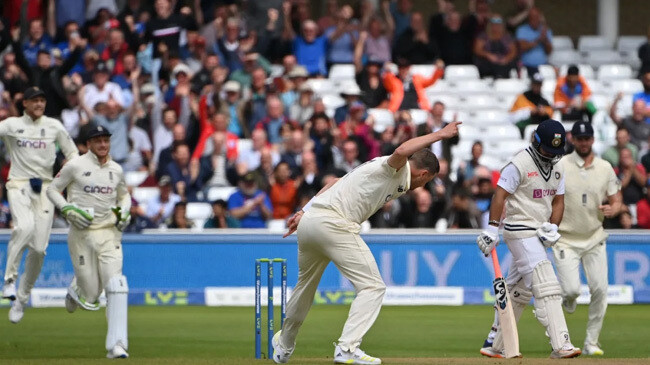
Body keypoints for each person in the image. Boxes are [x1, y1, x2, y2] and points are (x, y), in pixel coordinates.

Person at [271, 121, 461, 364]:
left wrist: (303, 212)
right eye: (426, 181)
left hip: (311, 221)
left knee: (304, 288)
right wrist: (440, 134)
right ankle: (347, 348)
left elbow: (335, 181)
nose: (422, 186)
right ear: (424, 174)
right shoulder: (397, 168)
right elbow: (402, 151)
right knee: (373, 286)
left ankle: (284, 345)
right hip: (334, 223)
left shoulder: (380, 169)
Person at [477, 119, 581, 359]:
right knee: (546, 282)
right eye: (547, 149)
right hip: (518, 229)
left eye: (555, 151)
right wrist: (492, 229)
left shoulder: (558, 166)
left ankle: (497, 344)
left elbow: (558, 200)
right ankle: (561, 344)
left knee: (518, 291)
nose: (550, 155)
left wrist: (553, 226)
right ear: (536, 142)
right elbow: (500, 195)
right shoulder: (519, 164)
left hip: (539, 232)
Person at [46, 125, 130, 358]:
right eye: (98, 141)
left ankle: (117, 344)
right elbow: (52, 190)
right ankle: (77, 288)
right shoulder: (75, 166)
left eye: (106, 140)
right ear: (89, 144)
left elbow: (124, 196)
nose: (103, 145)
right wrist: (67, 209)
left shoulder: (116, 169)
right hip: (82, 234)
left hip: (109, 234)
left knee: (116, 285)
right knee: (91, 295)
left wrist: (124, 212)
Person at [1, 87, 79, 322]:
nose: (39, 104)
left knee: (38, 249)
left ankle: (21, 301)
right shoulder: (12, 124)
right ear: (24, 103)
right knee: (24, 228)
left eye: (42, 100)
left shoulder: (54, 126)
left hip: (46, 188)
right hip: (19, 184)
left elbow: (73, 154)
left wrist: (66, 177)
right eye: (35, 100)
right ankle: (9, 281)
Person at [552, 121, 622, 356]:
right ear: (573, 140)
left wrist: (615, 208)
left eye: (587, 138)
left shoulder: (605, 167)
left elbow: (616, 197)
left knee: (600, 289)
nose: (584, 143)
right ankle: (566, 305)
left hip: (594, 237)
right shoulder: (560, 164)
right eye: (579, 139)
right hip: (565, 239)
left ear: (593, 139)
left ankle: (592, 342)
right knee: (571, 290)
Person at [515, 7, 553, 76]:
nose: (535, 20)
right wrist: (539, 40)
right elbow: (522, 47)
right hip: (526, 66)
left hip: (543, 65)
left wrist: (545, 40)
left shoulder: (545, 30)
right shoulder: (522, 30)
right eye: (532, 17)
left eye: (536, 17)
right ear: (528, 19)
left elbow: (549, 51)